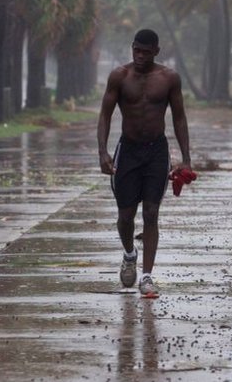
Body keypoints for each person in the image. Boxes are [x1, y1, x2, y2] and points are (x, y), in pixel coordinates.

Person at [97, 29, 191, 297]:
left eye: (146, 52)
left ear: (156, 52)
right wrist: (103, 152)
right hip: (127, 151)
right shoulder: (119, 76)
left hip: (156, 152)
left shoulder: (169, 78)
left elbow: (179, 117)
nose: (140, 56)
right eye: (136, 50)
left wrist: (186, 158)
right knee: (125, 216)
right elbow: (105, 115)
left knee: (151, 213)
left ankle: (147, 277)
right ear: (132, 48)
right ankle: (129, 254)